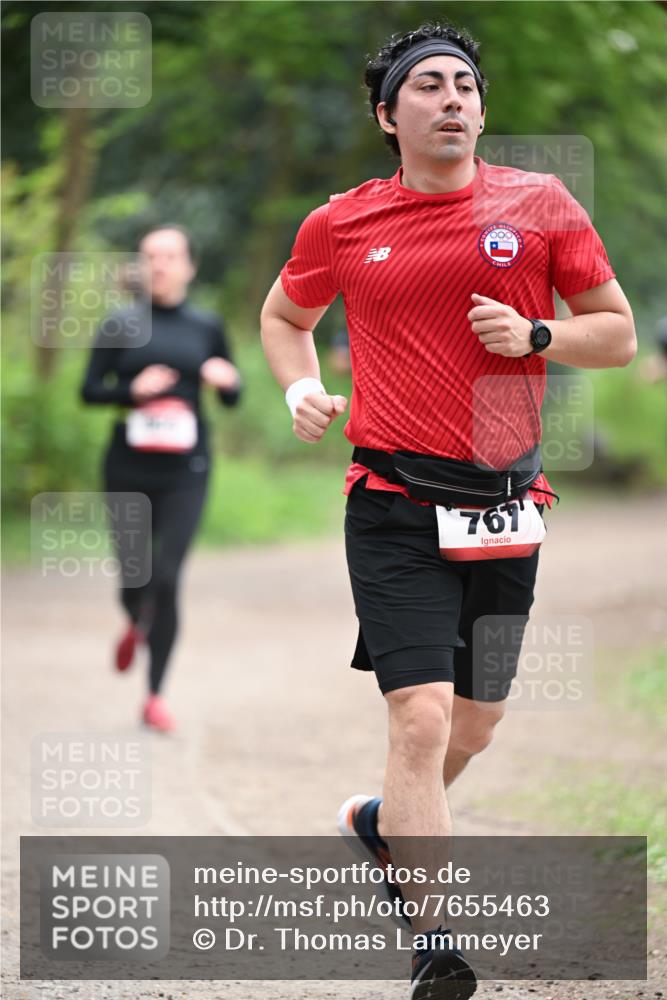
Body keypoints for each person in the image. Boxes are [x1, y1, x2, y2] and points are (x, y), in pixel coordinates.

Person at [261, 21, 635, 998]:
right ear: (388, 115)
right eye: (427, 85)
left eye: (464, 84)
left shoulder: (539, 204)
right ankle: (434, 940)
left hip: (506, 506)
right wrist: (299, 387)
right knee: (420, 719)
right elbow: (285, 315)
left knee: (474, 725)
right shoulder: (341, 222)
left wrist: (537, 333)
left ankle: (382, 824)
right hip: (391, 500)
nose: (452, 99)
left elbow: (616, 334)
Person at [81, 224, 242, 732]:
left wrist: (226, 381)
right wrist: (132, 390)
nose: (159, 265)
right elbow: (89, 391)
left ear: (189, 266)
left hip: (186, 469)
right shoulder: (120, 323)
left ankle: (154, 696)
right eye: (150, 257)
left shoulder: (206, 326)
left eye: (170, 256)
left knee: (168, 577)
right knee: (134, 577)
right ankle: (135, 617)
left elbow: (232, 394)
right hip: (127, 465)